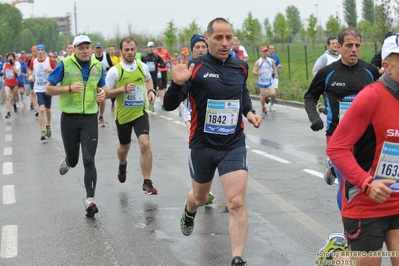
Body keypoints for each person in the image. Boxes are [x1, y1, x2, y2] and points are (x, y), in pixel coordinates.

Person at [164, 17, 262, 266]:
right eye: (218, 37)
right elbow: (169, 105)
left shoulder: (240, 67)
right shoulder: (194, 67)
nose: (225, 42)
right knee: (199, 197)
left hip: (233, 143)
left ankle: (237, 258)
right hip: (202, 145)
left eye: (229, 37)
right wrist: (176, 84)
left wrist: (249, 113)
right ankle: (189, 211)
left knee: (236, 202)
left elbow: (241, 94)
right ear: (206, 39)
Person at [304, 27, 379, 260]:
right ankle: (350, 233)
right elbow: (309, 96)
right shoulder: (328, 72)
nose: (354, 49)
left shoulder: (370, 71)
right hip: (338, 139)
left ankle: (331, 169)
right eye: (349, 45)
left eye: (357, 45)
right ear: (339, 46)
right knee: (348, 186)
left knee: (370, 184)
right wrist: (315, 118)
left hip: (366, 141)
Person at [326, 34, 399, 266]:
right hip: (365, 204)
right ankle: (336, 256)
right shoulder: (371, 96)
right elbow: (336, 148)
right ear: (386, 66)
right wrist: (367, 182)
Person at [45, 35, 107, 217]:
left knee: (89, 159)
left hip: (89, 118)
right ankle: (68, 161)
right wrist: (68, 88)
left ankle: (90, 199)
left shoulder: (97, 66)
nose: (85, 51)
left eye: (87, 47)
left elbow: (104, 88)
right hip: (69, 118)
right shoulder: (64, 64)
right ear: (74, 49)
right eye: (81, 48)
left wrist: (103, 93)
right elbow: (48, 88)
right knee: (74, 159)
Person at [105, 37, 158, 195]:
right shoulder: (115, 71)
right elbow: (105, 94)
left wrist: (150, 91)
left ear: (136, 50)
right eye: (126, 50)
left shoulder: (142, 67)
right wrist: (121, 89)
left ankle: (147, 182)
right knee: (124, 147)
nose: (130, 52)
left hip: (140, 112)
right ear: (121, 52)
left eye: (132, 49)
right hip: (123, 115)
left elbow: (148, 80)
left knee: (144, 144)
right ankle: (122, 163)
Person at [28, 44, 57, 140]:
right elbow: (30, 70)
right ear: (36, 52)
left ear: (44, 51)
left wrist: (50, 70)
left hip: (48, 88)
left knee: (48, 110)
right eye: (38, 50)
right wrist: (30, 76)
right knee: (41, 109)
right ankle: (42, 131)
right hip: (38, 88)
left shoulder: (50, 61)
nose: (40, 51)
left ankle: (48, 125)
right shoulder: (34, 61)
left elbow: (57, 71)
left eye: (42, 50)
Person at [312, 37, 341, 115]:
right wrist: (324, 82)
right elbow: (315, 71)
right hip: (328, 88)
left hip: (341, 87)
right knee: (330, 111)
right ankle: (320, 108)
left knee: (340, 110)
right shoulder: (324, 58)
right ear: (328, 46)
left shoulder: (342, 57)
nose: (335, 45)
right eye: (333, 43)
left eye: (336, 43)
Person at [252, 45, 278, 115]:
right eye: (263, 51)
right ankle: (263, 107)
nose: (265, 53)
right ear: (261, 52)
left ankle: (266, 96)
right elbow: (253, 71)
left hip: (269, 80)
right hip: (261, 82)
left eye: (266, 51)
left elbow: (274, 67)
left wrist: (276, 74)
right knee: (262, 96)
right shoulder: (258, 62)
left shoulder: (271, 61)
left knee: (273, 93)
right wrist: (257, 73)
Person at [93, 42, 113, 127]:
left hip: (104, 81)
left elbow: (112, 67)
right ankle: (96, 112)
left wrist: (108, 69)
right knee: (97, 99)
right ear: (95, 49)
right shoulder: (92, 57)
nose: (98, 50)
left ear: (102, 48)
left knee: (103, 99)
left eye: (100, 48)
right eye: (97, 48)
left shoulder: (106, 56)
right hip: (95, 81)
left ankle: (101, 116)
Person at [141, 41, 165, 112]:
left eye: (152, 47)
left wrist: (158, 65)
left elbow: (163, 64)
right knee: (147, 90)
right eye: (149, 47)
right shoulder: (144, 57)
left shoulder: (156, 57)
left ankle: (152, 104)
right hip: (146, 78)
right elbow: (140, 65)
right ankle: (147, 104)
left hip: (154, 77)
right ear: (147, 48)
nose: (150, 49)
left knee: (153, 90)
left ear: (153, 48)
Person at [2, 52, 21, 119]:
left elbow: (17, 72)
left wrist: (12, 65)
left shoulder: (17, 64)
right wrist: (3, 74)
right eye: (9, 57)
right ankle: (8, 112)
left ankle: (14, 104)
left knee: (14, 98)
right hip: (7, 82)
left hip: (14, 83)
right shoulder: (5, 64)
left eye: (11, 56)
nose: (10, 58)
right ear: (7, 58)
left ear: (13, 58)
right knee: (7, 96)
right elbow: (3, 71)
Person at [154, 41, 172, 108]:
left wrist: (166, 61)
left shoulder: (165, 52)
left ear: (162, 46)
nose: (159, 47)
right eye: (158, 46)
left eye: (160, 46)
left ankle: (165, 98)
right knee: (160, 86)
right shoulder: (155, 52)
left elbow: (170, 58)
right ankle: (162, 101)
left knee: (165, 86)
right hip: (158, 71)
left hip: (164, 70)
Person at [266, 44, 281, 111]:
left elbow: (277, 65)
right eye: (270, 49)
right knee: (269, 93)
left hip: (274, 76)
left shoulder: (276, 57)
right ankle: (265, 96)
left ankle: (271, 105)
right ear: (268, 49)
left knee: (274, 91)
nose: (272, 50)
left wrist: (279, 66)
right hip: (267, 77)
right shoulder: (265, 57)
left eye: (273, 48)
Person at [107, 45, 121, 111]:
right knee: (110, 89)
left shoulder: (117, 58)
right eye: (111, 49)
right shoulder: (107, 57)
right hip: (108, 75)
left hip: (115, 75)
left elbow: (120, 65)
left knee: (115, 89)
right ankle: (112, 103)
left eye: (113, 49)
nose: (112, 51)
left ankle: (113, 103)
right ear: (109, 50)